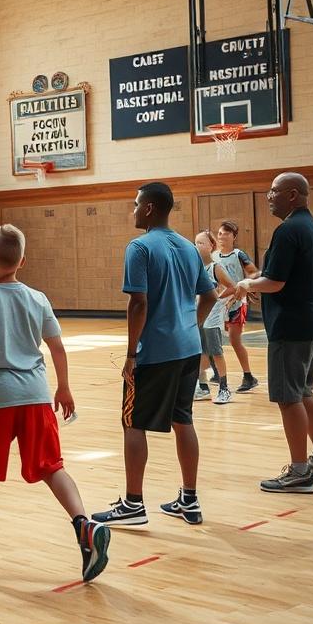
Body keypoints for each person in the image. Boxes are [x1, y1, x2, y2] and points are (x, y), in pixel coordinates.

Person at [0, 225, 111, 582]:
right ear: (22, 261)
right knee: (52, 467)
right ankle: (84, 525)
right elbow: (57, 346)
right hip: (36, 395)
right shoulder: (37, 298)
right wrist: (64, 389)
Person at [92, 182, 217, 527]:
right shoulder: (190, 248)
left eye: (135, 204)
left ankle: (133, 504)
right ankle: (189, 500)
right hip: (189, 349)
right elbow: (209, 296)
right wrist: (190, 326)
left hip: (155, 353)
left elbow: (138, 302)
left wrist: (131, 354)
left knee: (133, 422)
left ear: (148, 209)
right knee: (183, 419)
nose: (132, 210)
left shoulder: (139, 247)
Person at [227, 172, 313, 493]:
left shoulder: (288, 230)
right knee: (304, 392)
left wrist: (247, 284)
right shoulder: (312, 228)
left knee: (289, 398)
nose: (268, 196)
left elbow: (275, 282)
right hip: (312, 322)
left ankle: (300, 472)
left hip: (290, 327)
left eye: (274, 191)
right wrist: (250, 281)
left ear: (293, 195)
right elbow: (277, 272)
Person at [212, 221, 260, 392]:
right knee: (211, 336)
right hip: (219, 302)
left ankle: (248, 376)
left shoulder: (238, 254)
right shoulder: (214, 256)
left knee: (234, 339)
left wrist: (244, 284)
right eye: (219, 233)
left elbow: (255, 272)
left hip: (238, 302)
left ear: (234, 237)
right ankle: (217, 372)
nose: (222, 236)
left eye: (226, 233)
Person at [194, 230, 235, 405]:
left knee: (216, 353)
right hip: (198, 315)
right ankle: (202, 388)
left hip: (212, 317)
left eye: (201, 243)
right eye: (196, 242)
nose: (197, 246)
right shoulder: (196, 267)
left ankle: (224, 388)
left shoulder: (215, 267)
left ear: (211, 246)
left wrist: (218, 300)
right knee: (200, 352)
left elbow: (232, 287)